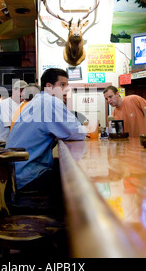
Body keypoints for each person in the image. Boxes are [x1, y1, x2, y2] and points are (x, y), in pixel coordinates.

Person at [6, 68, 87, 203]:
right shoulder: (50, 102)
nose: (66, 89)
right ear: (49, 87)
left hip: (16, 174)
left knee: (67, 174)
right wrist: (85, 128)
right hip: (28, 176)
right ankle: (68, 223)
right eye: (62, 85)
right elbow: (76, 132)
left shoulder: (38, 101)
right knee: (79, 182)